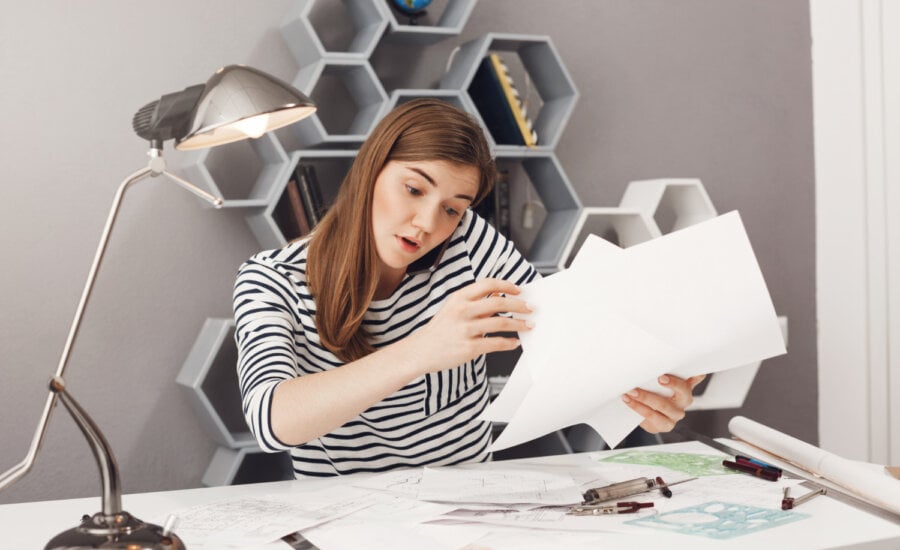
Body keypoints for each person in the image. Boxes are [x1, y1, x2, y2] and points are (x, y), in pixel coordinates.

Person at [233, 98, 704, 477]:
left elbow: (563, 341)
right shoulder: (271, 279)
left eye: (453, 208)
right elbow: (272, 421)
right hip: (349, 520)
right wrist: (423, 350)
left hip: (469, 506)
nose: (426, 223)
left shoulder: (468, 241)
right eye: (414, 189)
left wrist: (638, 394)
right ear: (370, 171)